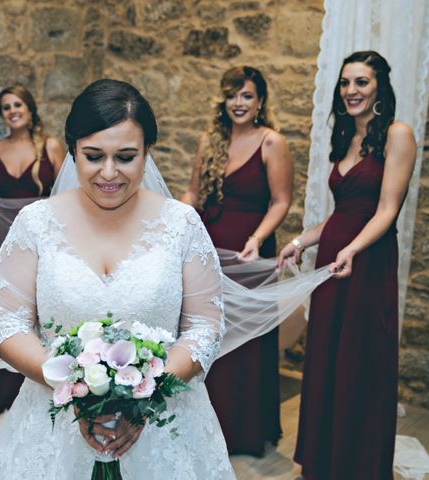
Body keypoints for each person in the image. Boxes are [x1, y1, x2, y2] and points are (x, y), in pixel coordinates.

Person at [0, 79, 235, 479]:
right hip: (54, 426)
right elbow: (6, 323)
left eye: (126, 156)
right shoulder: (35, 223)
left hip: (165, 422)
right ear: (73, 152)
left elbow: (205, 325)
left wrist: (143, 397)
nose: (109, 173)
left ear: (147, 153)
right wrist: (77, 391)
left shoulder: (181, 224)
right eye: (94, 156)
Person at [278, 51, 416, 479]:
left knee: (360, 358)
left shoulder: (398, 134)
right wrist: (300, 241)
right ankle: (325, 458)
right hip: (336, 258)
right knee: (327, 357)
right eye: (345, 83)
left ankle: (356, 464)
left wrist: (353, 249)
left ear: (379, 87)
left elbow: (387, 209)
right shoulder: (347, 139)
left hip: (367, 262)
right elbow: (341, 214)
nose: (351, 91)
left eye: (361, 82)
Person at [181, 66, 293, 456]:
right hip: (208, 250)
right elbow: (193, 192)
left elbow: (281, 201)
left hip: (248, 253)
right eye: (232, 96)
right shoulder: (210, 140)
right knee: (207, 334)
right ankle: (203, 428)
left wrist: (257, 239)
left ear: (260, 101)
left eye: (246, 96)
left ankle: (242, 431)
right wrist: (176, 218)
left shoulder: (271, 142)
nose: (238, 103)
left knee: (244, 342)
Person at [0, 84, 64, 413]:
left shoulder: (50, 145)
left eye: (18, 104)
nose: (13, 111)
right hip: (0, 237)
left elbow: (67, 192)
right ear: (2, 114)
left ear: (30, 108)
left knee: (40, 303)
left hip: (41, 237)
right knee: (4, 304)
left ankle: (43, 374)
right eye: (6, 107)